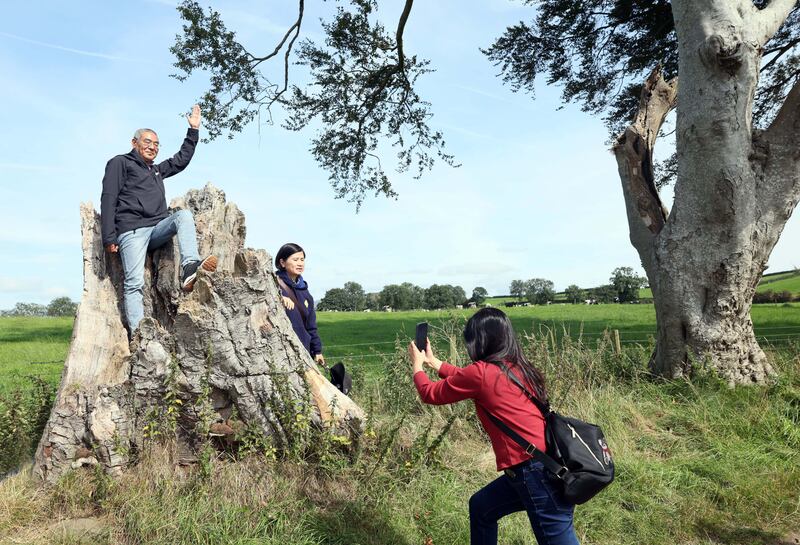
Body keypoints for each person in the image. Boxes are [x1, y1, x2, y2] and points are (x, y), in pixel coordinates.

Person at [408, 307, 579, 545]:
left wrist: (417, 366)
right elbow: (469, 378)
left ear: (480, 341)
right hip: (543, 463)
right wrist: (435, 363)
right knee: (481, 507)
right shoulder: (518, 367)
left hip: (536, 472)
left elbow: (430, 393)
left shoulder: (483, 373)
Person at [100, 105, 217, 332]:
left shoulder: (155, 170)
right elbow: (108, 197)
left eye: (156, 144)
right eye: (147, 142)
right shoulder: (120, 163)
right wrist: (108, 236)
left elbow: (180, 160)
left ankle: (190, 266)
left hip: (155, 229)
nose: (152, 147)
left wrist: (193, 130)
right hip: (131, 231)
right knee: (134, 284)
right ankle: (139, 334)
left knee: (182, 215)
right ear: (134, 143)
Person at [275, 243, 325, 365]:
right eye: (295, 259)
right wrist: (277, 297)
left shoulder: (306, 293)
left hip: (303, 350)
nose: (300, 263)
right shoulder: (272, 283)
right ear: (282, 262)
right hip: (280, 350)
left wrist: (317, 351)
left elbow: (311, 326)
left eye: (302, 260)